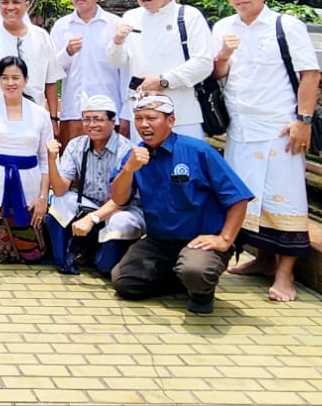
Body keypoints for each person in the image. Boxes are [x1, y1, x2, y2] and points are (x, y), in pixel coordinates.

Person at [211, 0, 321, 302]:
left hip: (280, 127)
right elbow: (217, 74)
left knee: (284, 197)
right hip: (241, 128)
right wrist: (224, 54)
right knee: (247, 197)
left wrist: (304, 120)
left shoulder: (285, 25)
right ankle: (261, 260)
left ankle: (285, 274)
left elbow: (310, 74)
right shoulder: (223, 27)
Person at [109, 94, 254, 314]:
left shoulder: (197, 150)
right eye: (138, 118)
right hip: (160, 241)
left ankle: (201, 293)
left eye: (151, 118)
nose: (144, 124)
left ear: (171, 121)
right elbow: (119, 199)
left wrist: (225, 239)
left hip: (200, 239)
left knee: (196, 271)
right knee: (124, 281)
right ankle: (181, 279)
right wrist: (129, 169)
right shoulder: (135, 155)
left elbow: (238, 197)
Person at [108, 0, 214, 139]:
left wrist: (163, 80)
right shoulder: (130, 17)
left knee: (184, 156)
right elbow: (117, 63)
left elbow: (203, 63)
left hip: (181, 114)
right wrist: (117, 41)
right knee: (143, 157)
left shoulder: (189, 16)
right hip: (142, 115)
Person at [43, 93, 143, 276]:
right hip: (89, 204)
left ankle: (103, 258)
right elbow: (59, 190)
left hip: (120, 209)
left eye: (98, 119)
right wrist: (51, 159)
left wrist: (93, 218)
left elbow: (123, 201)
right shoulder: (76, 145)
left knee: (119, 227)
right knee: (60, 201)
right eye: (86, 119)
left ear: (113, 121)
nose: (91, 125)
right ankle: (66, 258)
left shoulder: (127, 150)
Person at [0, 56, 53, 264]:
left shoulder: (40, 114)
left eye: (16, 78)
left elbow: (46, 158)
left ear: (26, 80)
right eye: (5, 78)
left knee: (34, 253)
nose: (10, 83)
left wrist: (43, 197)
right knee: (1, 253)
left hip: (30, 185)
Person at [51, 0, 125, 141]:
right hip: (73, 111)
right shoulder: (62, 26)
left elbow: (124, 70)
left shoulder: (115, 24)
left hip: (109, 111)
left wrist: (125, 113)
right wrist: (67, 52)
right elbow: (51, 71)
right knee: (73, 157)